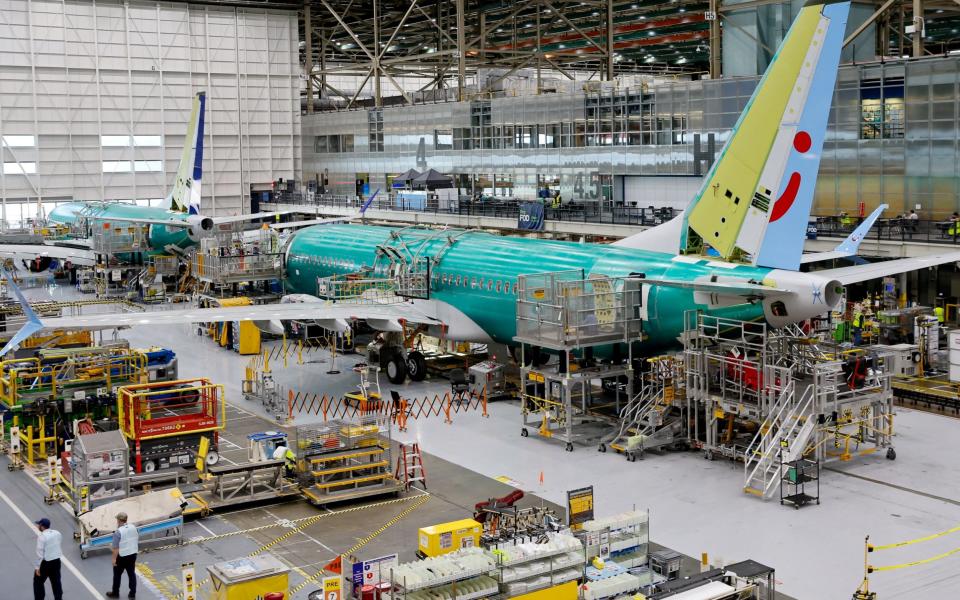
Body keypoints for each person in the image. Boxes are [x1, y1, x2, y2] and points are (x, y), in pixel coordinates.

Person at [106, 512, 139, 599]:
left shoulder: (118, 532)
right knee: (131, 574)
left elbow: (116, 548)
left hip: (121, 557)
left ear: (119, 520)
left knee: (117, 575)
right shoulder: (133, 527)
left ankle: (115, 593)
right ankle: (132, 594)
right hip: (132, 554)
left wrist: (113, 559)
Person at [33, 518, 63, 600]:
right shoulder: (57, 533)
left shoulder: (42, 537)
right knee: (56, 582)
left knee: (38, 582)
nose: (38, 526)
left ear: (42, 526)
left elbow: (40, 554)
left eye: (39, 525)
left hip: (45, 563)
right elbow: (59, 541)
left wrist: (37, 568)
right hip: (57, 562)